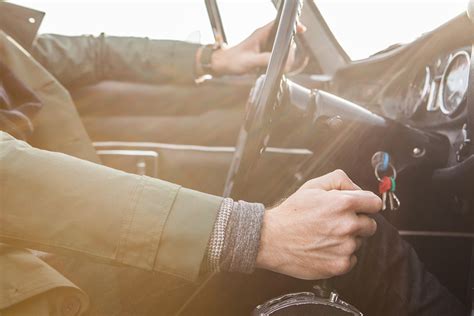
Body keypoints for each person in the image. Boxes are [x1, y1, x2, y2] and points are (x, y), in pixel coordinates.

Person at [0, 3, 468, 315]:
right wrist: (255, 233)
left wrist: (214, 59)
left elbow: (81, 52)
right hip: (42, 285)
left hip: (56, 249)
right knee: (356, 242)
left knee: (328, 227)